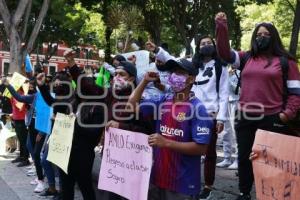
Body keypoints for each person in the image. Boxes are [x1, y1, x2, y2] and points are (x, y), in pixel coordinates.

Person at [215, 12, 300, 200]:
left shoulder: (287, 62)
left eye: (266, 35)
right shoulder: (246, 58)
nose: (262, 38)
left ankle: (273, 194)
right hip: (245, 117)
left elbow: (295, 94)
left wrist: (285, 115)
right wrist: (221, 25)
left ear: (274, 37)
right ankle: (244, 193)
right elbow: (224, 53)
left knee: (271, 161)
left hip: (272, 118)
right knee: (245, 158)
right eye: (258, 35)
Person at [127, 58, 213, 200]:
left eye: (179, 73)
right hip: (157, 178)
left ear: (191, 79)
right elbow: (131, 105)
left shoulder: (199, 109)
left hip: (182, 184)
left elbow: (201, 148)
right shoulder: (163, 100)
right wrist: (144, 81)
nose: (173, 76)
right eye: (172, 72)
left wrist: (166, 142)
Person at [191, 35, 229, 200]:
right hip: (191, 114)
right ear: (198, 48)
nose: (206, 46)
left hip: (210, 115)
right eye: (202, 44)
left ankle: (208, 186)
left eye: (209, 43)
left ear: (214, 46)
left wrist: (221, 119)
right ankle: (190, 182)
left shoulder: (221, 67)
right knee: (190, 149)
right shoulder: (193, 66)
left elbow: (224, 94)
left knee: (209, 152)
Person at [1, 77, 47, 193]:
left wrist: (41, 132)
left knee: (37, 154)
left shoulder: (48, 97)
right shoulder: (34, 97)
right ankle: (39, 176)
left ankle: (42, 180)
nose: (31, 86)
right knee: (32, 150)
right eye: (31, 85)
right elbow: (19, 97)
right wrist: (8, 85)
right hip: (31, 128)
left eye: (34, 85)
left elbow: (47, 117)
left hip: (40, 130)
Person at [216, 67, 240, 170]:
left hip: (236, 102)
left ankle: (238, 159)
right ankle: (227, 158)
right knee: (226, 131)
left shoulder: (240, 72)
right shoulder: (224, 70)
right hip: (225, 102)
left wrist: (229, 78)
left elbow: (238, 90)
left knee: (236, 132)